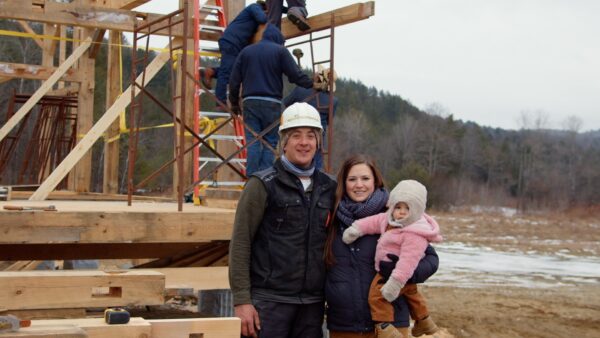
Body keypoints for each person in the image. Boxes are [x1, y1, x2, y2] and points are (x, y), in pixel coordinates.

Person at [228, 102, 336, 337]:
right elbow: (240, 244)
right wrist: (242, 301)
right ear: (284, 141)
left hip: (312, 305)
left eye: (310, 135)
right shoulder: (262, 185)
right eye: (296, 135)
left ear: (318, 142)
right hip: (268, 303)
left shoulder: (330, 188)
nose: (304, 142)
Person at [324, 155, 439, 338]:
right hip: (344, 325)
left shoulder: (396, 217)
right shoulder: (332, 219)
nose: (359, 185)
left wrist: (403, 274)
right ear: (343, 183)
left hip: (390, 325)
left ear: (376, 181)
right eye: (352, 179)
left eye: (365, 178)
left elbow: (432, 260)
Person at [228, 24, 313, 175]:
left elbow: (234, 80)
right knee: (269, 142)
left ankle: (252, 180)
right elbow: (295, 76)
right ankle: (265, 179)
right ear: (278, 39)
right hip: (272, 103)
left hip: (250, 101)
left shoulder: (246, 51)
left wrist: (234, 103)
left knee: (252, 141)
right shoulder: (280, 51)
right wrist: (312, 84)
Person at [200, 1, 268, 105]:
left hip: (234, 43)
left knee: (233, 73)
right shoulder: (254, 7)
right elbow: (262, 19)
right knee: (226, 71)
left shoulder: (253, 14)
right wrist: (270, 15)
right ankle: (220, 100)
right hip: (231, 42)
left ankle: (211, 72)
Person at [283, 66, 338, 169]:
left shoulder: (299, 90)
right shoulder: (333, 100)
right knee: (317, 165)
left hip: (296, 130)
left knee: (293, 161)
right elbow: (329, 121)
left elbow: (286, 104)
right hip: (318, 135)